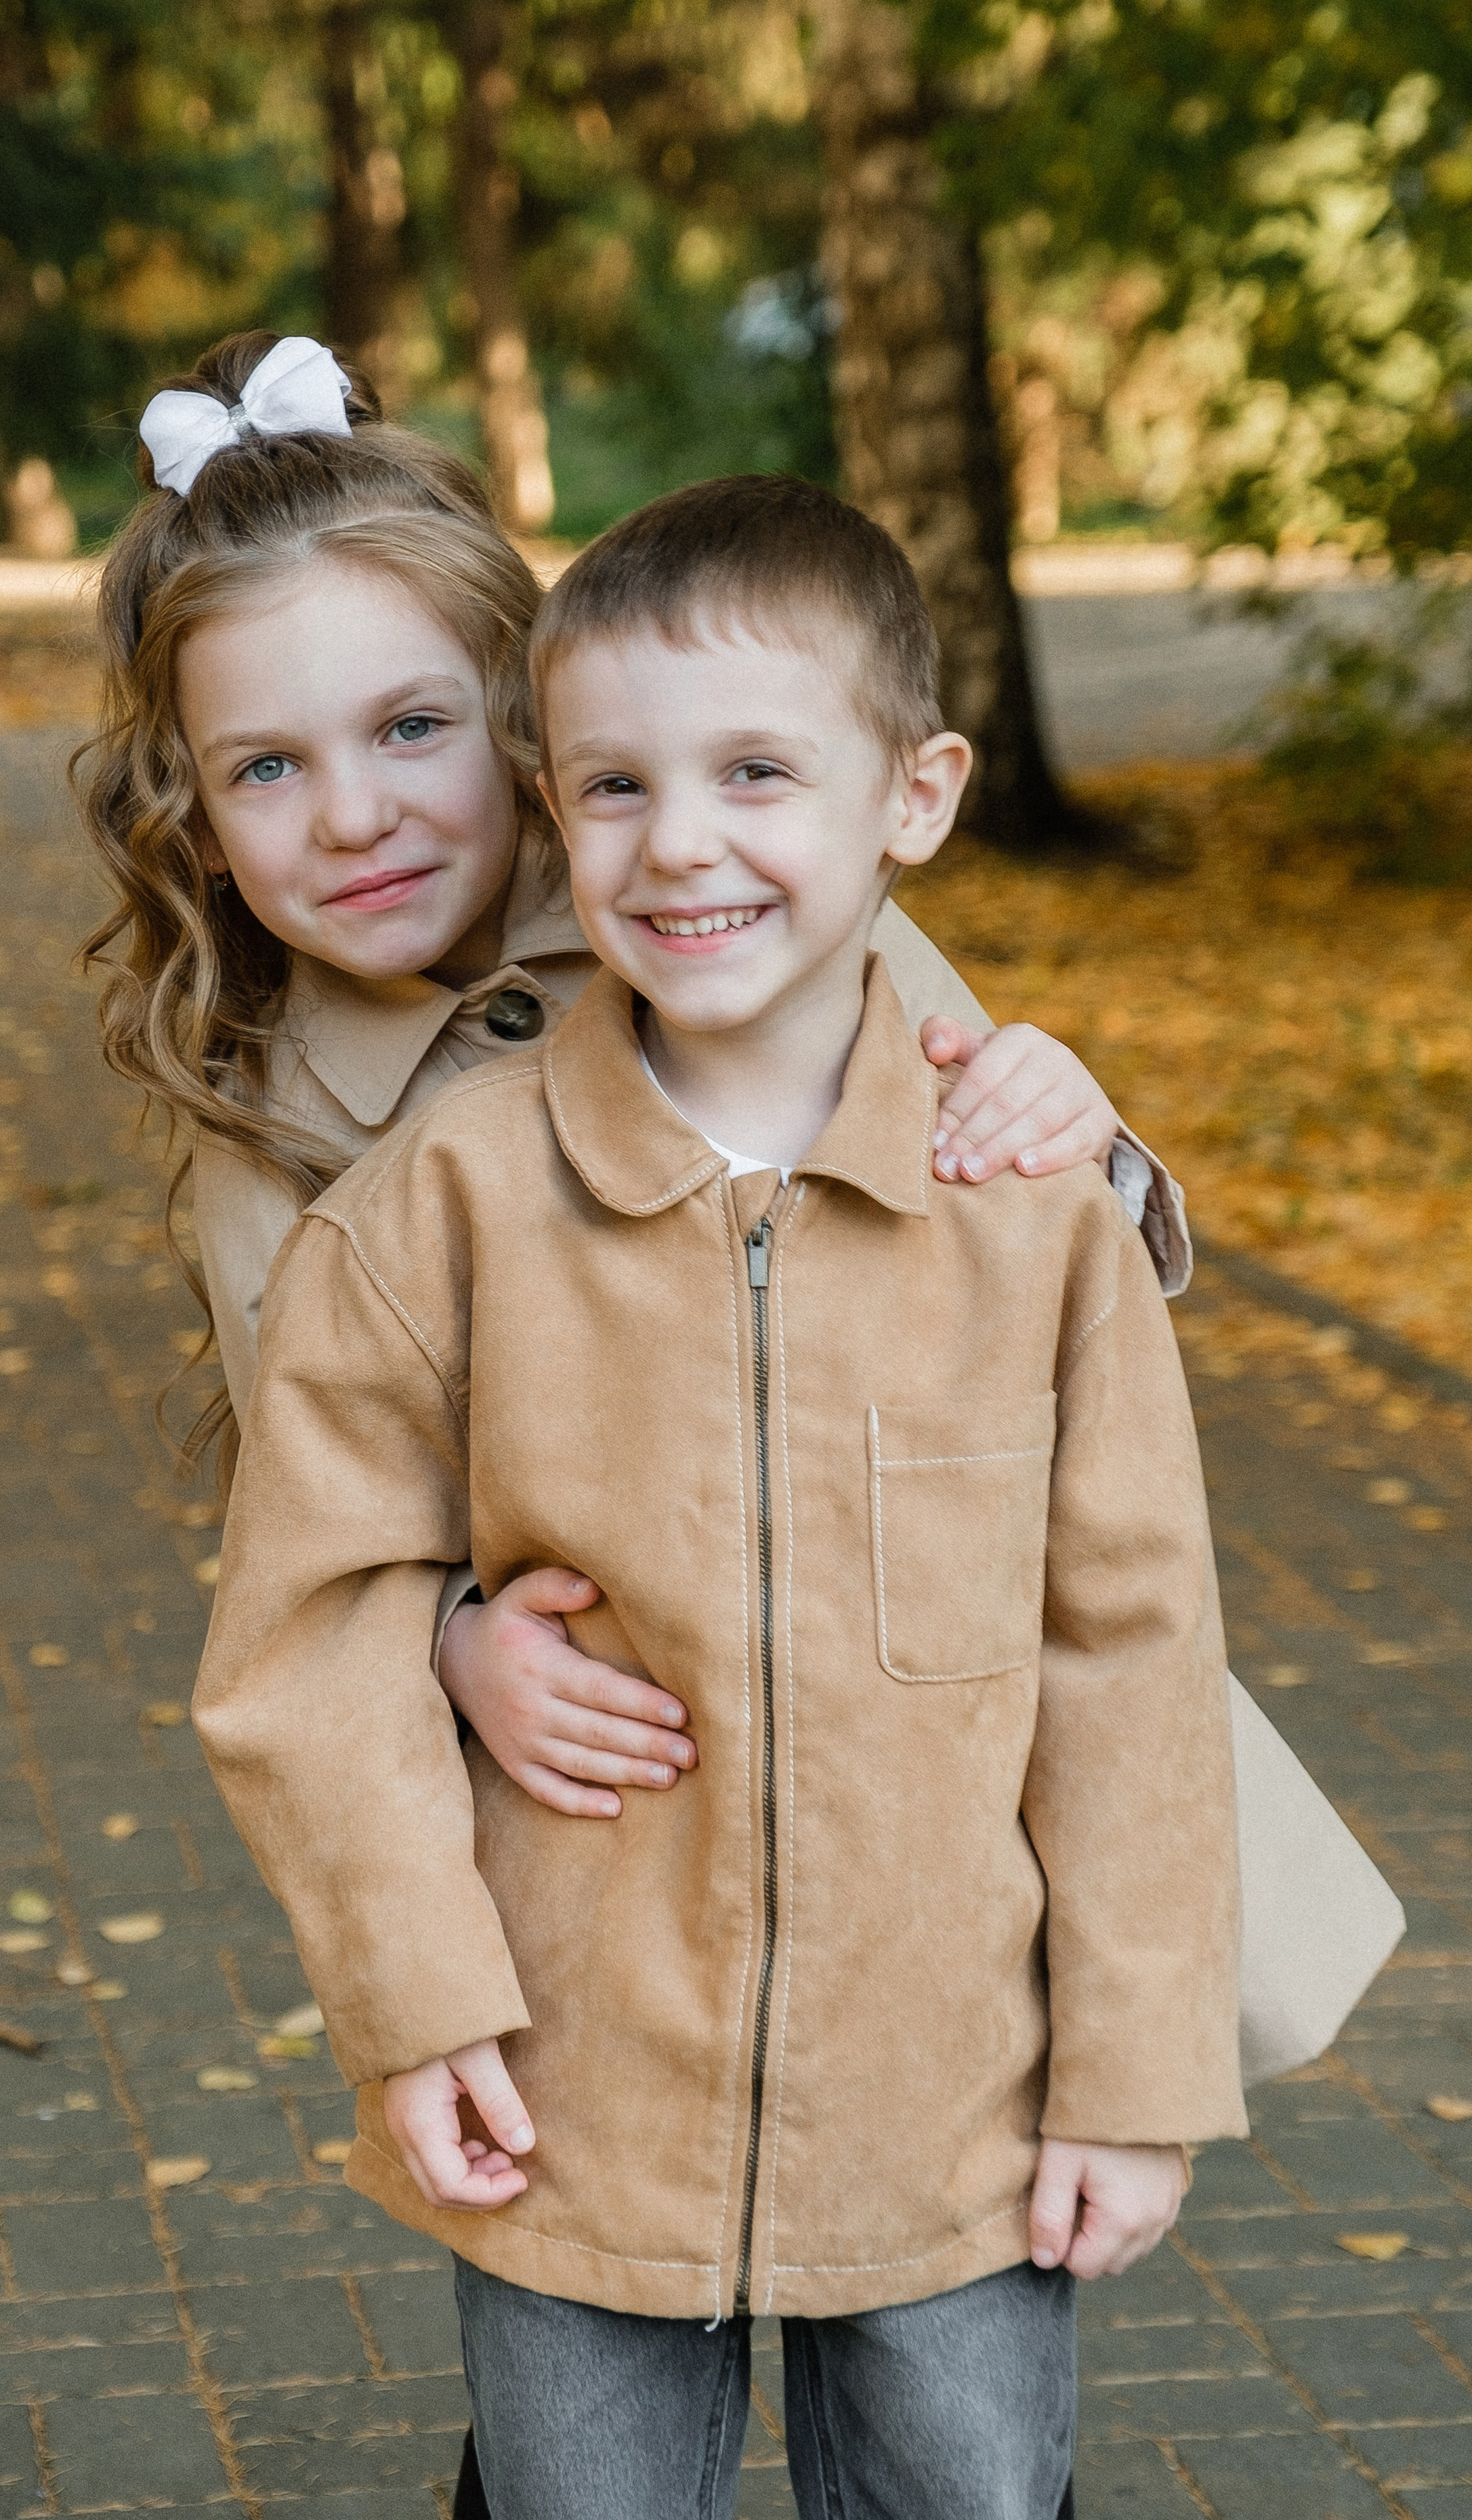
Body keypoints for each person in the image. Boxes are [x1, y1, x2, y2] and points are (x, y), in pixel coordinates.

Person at [192, 476, 1247, 2519]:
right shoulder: (442, 1206)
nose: (680, 843)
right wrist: (415, 2010)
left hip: (953, 2098)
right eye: (615, 787)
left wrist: (1133, 2072)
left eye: (755, 773)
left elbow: (1129, 1662)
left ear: (913, 797)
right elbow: (304, 1638)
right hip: (571, 2088)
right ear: (551, 806)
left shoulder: (1033, 1221)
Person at [75, 329, 1191, 1836]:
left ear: (523, 723)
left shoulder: (721, 901)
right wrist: (451, 1642)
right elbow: (315, 1521)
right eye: (265, 767)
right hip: (629, 1765)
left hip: (931, 1666)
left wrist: (1056, 1109)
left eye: (410, 728)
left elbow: (1037, 1240)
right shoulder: (272, 1123)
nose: (352, 815)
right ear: (196, 822)